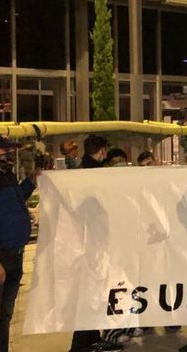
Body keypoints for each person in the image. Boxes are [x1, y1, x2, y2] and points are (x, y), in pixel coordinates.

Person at [0, 135, 38, 352]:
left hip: (14, 257)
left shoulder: (7, 176)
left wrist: (31, 182)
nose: (9, 154)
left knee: (4, 316)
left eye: (10, 150)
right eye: (4, 150)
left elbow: (12, 202)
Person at [70, 135, 123, 352]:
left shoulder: (83, 170)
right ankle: (81, 344)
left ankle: (91, 338)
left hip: (91, 240)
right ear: (101, 151)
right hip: (93, 241)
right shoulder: (94, 173)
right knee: (91, 293)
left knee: (93, 293)